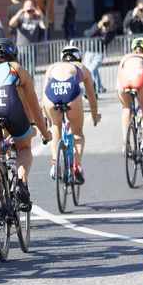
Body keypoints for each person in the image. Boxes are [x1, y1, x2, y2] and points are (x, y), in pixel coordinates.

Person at [0, 38, 51, 212]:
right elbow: (34, 108)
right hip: (10, 109)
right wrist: (45, 133)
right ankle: (21, 183)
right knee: (24, 148)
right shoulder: (17, 68)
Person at [42, 46, 100, 184]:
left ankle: (55, 163)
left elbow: (44, 96)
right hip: (70, 91)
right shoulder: (81, 67)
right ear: (79, 58)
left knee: (56, 125)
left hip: (52, 93)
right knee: (77, 131)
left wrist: (46, 120)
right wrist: (94, 115)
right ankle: (77, 165)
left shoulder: (52, 67)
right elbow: (91, 96)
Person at [83, 14, 116, 95]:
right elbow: (88, 34)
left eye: (109, 22)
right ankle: (98, 87)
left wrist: (106, 31)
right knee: (92, 70)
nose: (106, 24)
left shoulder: (111, 31)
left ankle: (93, 87)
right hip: (89, 52)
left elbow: (106, 41)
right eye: (105, 22)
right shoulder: (96, 26)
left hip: (99, 53)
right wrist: (98, 27)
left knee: (92, 69)